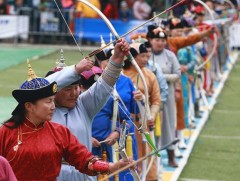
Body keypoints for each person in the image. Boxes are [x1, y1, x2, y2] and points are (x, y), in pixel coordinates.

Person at [0, 58, 133, 180]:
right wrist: (76, 69)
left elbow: (85, 160)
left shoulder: (59, 131)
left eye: (52, 101)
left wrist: (111, 167)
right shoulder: (7, 131)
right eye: (48, 102)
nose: (52, 107)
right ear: (29, 106)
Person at [45, 39, 131, 181]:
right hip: (53, 173)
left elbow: (104, 86)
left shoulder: (82, 105)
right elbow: (37, 89)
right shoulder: (42, 109)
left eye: (76, 87)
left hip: (83, 172)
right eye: (67, 89)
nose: (74, 93)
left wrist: (117, 58)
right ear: (54, 91)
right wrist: (74, 70)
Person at [94, 49, 140, 181]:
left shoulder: (126, 81)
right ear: (101, 63)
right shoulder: (94, 82)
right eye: (109, 61)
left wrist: (140, 100)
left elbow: (132, 113)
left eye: (118, 61)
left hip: (122, 140)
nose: (114, 64)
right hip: (98, 142)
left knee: (125, 174)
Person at [123, 42, 161, 180]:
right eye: (142, 56)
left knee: (148, 156)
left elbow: (156, 100)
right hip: (125, 126)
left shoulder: (149, 75)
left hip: (144, 125)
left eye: (147, 56)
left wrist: (152, 115)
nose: (146, 59)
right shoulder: (121, 75)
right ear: (132, 57)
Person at [147, 25, 181, 167]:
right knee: (151, 126)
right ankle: (153, 160)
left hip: (167, 96)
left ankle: (171, 156)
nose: (160, 43)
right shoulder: (148, 55)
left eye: (163, 40)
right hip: (150, 98)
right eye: (156, 40)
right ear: (151, 40)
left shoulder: (170, 55)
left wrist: (160, 76)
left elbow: (177, 74)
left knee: (168, 125)